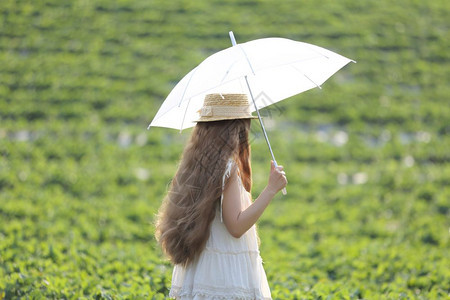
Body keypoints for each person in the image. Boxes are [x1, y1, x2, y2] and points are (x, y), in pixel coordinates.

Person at [155, 93, 287, 299]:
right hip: (224, 274)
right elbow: (235, 227)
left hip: (205, 268)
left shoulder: (194, 166)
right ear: (236, 128)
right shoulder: (228, 168)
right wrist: (271, 190)